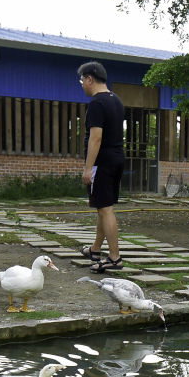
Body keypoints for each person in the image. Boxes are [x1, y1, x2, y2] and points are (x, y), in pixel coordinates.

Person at [77, 61, 127, 273]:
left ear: (90, 79)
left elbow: (95, 138)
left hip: (103, 162)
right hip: (117, 158)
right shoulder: (116, 100)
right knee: (103, 207)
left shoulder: (97, 104)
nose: (82, 85)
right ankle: (95, 250)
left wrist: (88, 169)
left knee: (106, 210)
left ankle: (114, 258)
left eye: (82, 81)